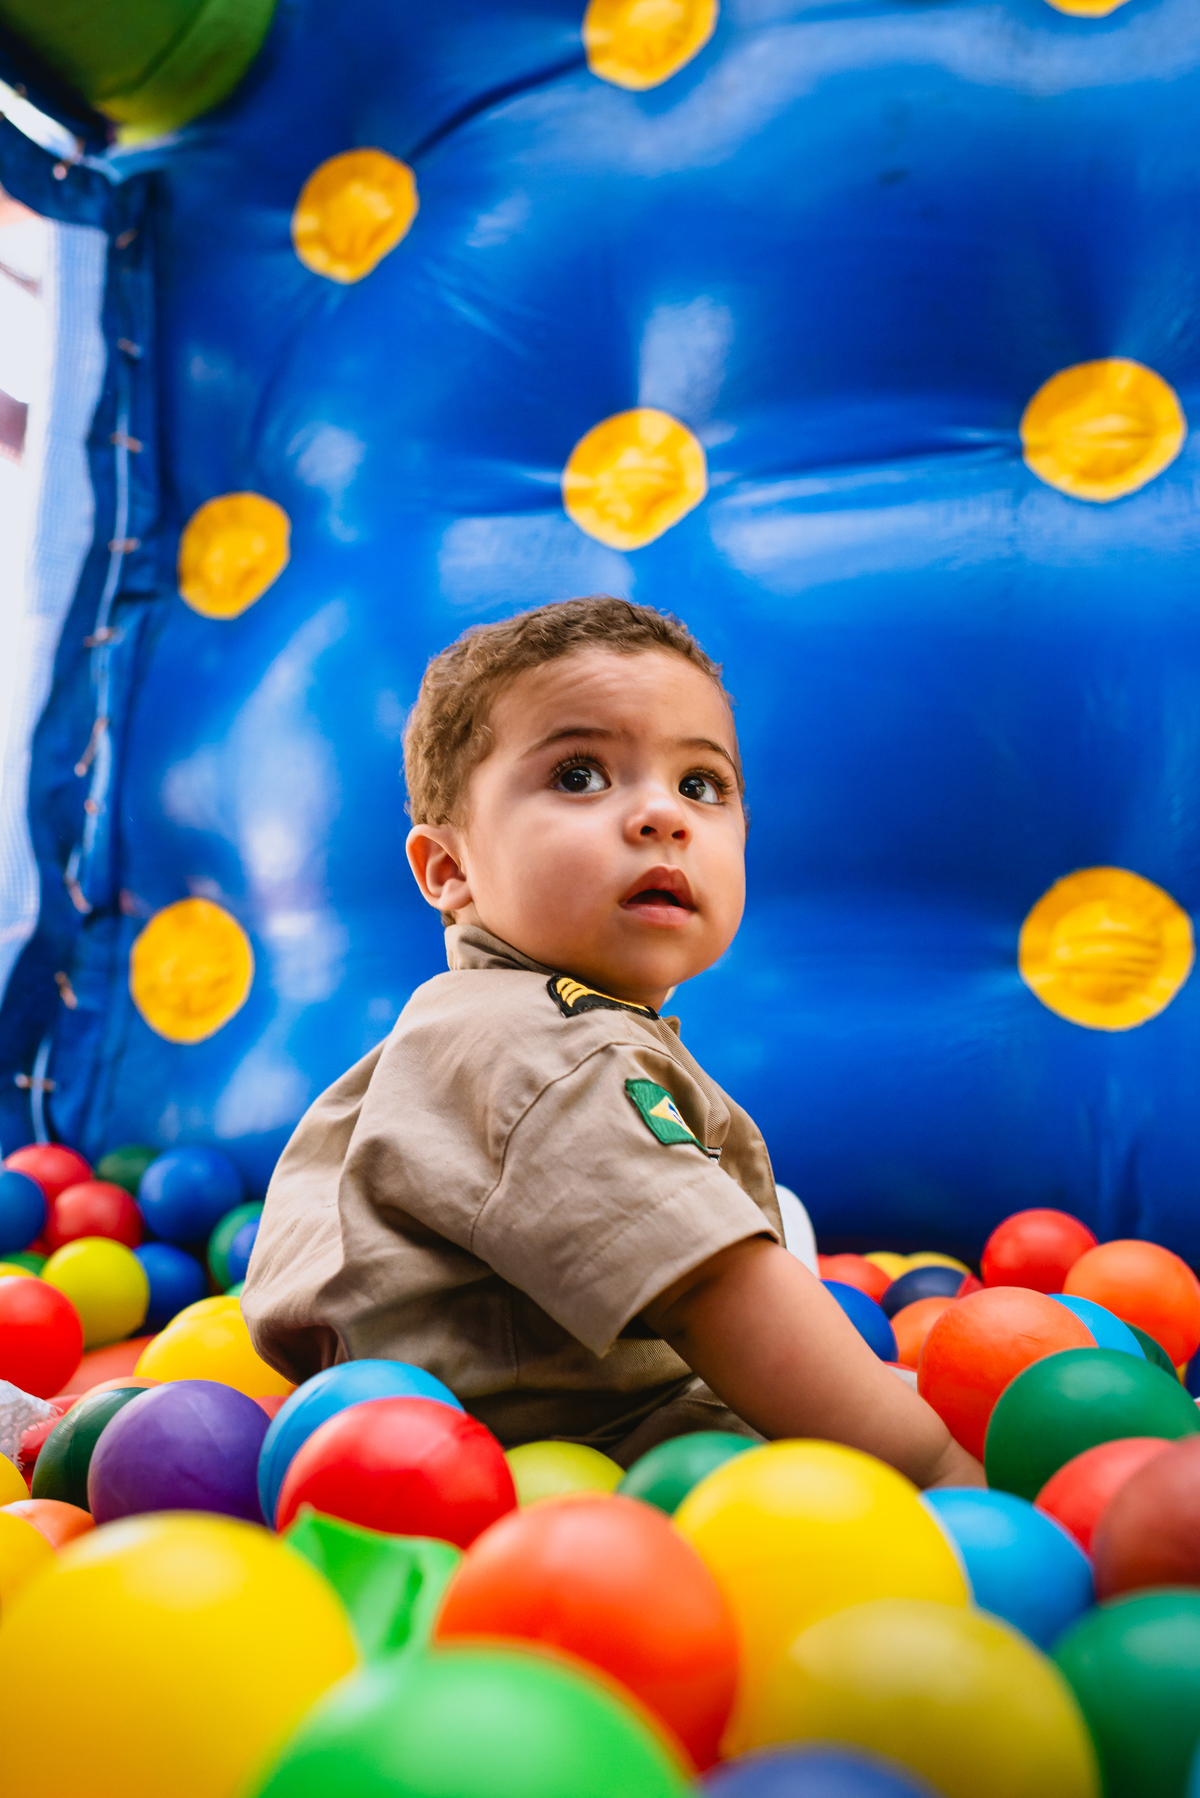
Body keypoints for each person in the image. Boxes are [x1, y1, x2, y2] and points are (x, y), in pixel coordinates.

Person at [242, 595, 981, 1485]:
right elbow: (713, 1288)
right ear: (450, 869)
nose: (661, 816)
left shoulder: (490, 1025)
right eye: (581, 775)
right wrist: (935, 1461)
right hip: (580, 1477)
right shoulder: (547, 1048)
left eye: (701, 785)